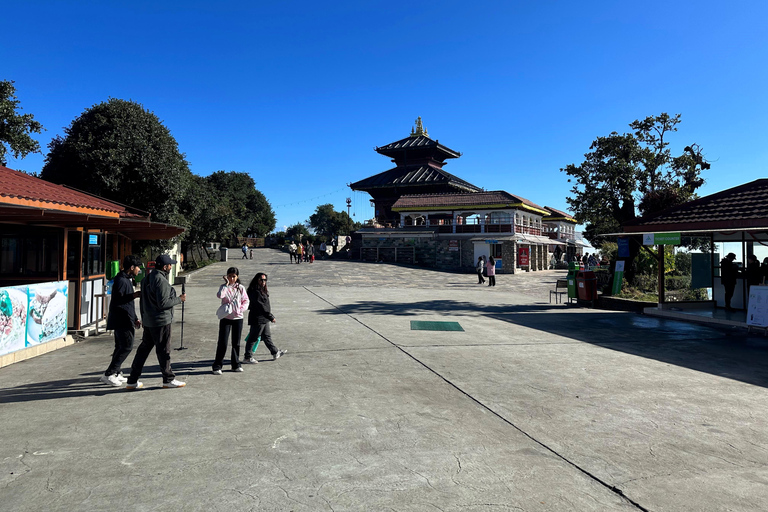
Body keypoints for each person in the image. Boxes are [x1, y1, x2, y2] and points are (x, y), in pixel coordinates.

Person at [125, 254, 187, 389]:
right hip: (161, 321)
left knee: (143, 351)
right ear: (165, 267)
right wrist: (179, 299)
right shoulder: (161, 280)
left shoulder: (147, 278)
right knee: (164, 350)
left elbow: (143, 300)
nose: (171, 267)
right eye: (170, 265)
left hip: (149, 320)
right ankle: (168, 379)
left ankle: (132, 380)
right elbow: (163, 303)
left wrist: (143, 316)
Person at [100, 255, 142, 387]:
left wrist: (135, 318)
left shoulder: (126, 279)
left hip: (126, 318)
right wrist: (134, 295)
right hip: (121, 319)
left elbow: (128, 303)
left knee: (119, 346)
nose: (139, 270)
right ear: (131, 267)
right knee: (126, 347)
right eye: (137, 268)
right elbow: (120, 301)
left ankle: (116, 372)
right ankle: (109, 374)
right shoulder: (121, 281)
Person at [212, 267, 250, 375]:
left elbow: (246, 301)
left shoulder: (241, 288)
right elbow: (220, 295)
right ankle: (217, 365)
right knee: (223, 342)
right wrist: (226, 284)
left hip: (238, 317)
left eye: (234, 276)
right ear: (227, 276)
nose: (232, 278)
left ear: (237, 277)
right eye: (230, 276)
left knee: (236, 342)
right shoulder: (224, 287)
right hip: (226, 317)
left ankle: (236, 364)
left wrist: (240, 309)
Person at [243, 272, 286, 363]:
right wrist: (271, 317)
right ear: (256, 280)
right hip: (258, 318)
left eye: (265, 280)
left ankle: (275, 352)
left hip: (263, 318)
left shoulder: (261, 290)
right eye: (261, 280)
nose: (263, 281)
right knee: (253, 337)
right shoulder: (255, 291)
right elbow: (261, 306)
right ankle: (247, 357)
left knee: (267, 336)